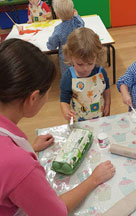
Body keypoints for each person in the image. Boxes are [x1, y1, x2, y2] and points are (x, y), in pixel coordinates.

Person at [0, 39, 115, 216]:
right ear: (33, 98)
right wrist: (94, 179)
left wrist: (29, 147)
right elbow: (56, 212)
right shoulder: (19, 165)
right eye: (47, 92)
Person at [60, 27, 111, 122]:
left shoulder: (100, 71)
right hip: (79, 120)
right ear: (71, 56)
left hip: (100, 116)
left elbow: (106, 88)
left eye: (90, 63)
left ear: (97, 56)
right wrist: (66, 111)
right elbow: (64, 100)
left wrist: (108, 104)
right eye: (79, 64)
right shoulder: (68, 77)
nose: (85, 68)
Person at [47, 0, 84, 75]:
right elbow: (82, 23)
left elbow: (52, 46)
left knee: (67, 75)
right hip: (79, 55)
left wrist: (48, 43)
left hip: (66, 60)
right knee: (79, 73)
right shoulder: (77, 23)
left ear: (57, 14)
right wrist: (77, 15)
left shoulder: (59, 29)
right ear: (73, 11)